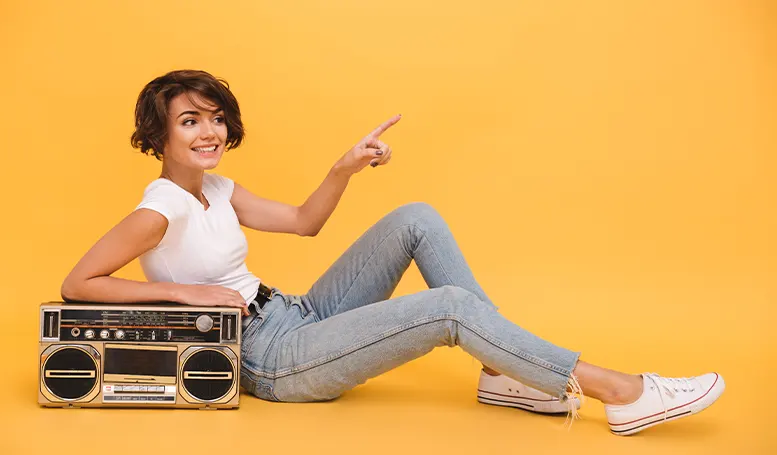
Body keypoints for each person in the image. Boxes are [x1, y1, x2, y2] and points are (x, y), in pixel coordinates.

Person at [61, 69, 724, 435]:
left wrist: (342, 168)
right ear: (159, 136)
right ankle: (618, 390)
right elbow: (80, 283)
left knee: (415, 217)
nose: (209, 130)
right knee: (447, 309)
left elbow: (301, 222)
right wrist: (190, 293)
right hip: (269, 357)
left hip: (294, 314)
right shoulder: (160, 207)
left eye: (214, 117)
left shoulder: (217, 188)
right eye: (189, 120)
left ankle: (504, 375)